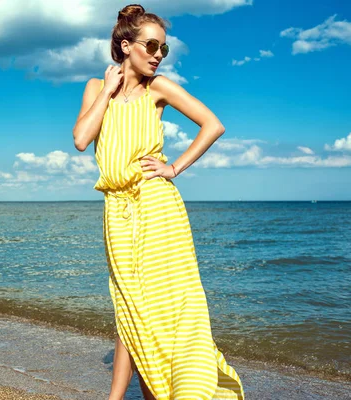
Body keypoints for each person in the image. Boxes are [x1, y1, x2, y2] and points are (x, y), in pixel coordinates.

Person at [72, 4, 245, 400]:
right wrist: (110, 89)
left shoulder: (159, 88)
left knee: (167, 305)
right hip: (117, 209)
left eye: (163, 49)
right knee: (129, 302)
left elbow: (213, 124)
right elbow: (82, 139)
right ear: (125, 45)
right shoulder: (97, 89)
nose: (157, 55)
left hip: (156, 206)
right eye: (151, 46)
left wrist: (174, 168)